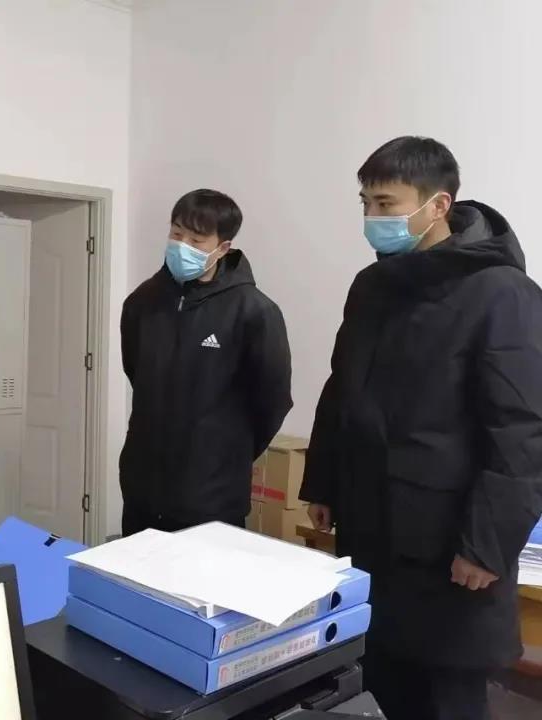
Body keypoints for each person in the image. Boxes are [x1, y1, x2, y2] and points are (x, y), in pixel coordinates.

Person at [300, 136, 542, 720]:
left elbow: (521, 432)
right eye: (365, 203)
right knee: (379, 683)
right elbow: (341, 390)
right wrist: (323, 482)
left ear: (438, 205)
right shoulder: (373, 286)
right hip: (372, 533)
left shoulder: (501, 293)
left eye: (386, 204)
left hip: (450, 550)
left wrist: (485, 546)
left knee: (444, 698)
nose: (372, 217)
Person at [119, 189, 292, 536]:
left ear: (223, 248)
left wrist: (224, 451)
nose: (182, 246)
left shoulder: (254, 311)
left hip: (212, 496)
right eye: (176, 234)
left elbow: (272, 402)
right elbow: (136, 371)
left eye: (196, 240)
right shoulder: (142, 302)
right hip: (142, 489)